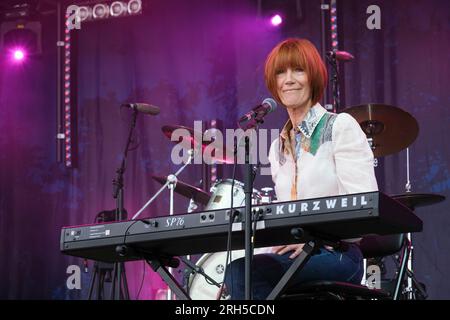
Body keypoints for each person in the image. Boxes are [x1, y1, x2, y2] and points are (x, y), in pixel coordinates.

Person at [223, 38, 378, 300]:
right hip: (297, 256)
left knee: (243, 276)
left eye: (298, 70)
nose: (289, 79)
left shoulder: (339, 126)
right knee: (238, 274)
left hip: (337, 254)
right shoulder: (277, 148)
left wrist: (313, 238)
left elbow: (363, 206)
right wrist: (236, 281)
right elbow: (286, 222)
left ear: (313, 76)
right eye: (281, 72)